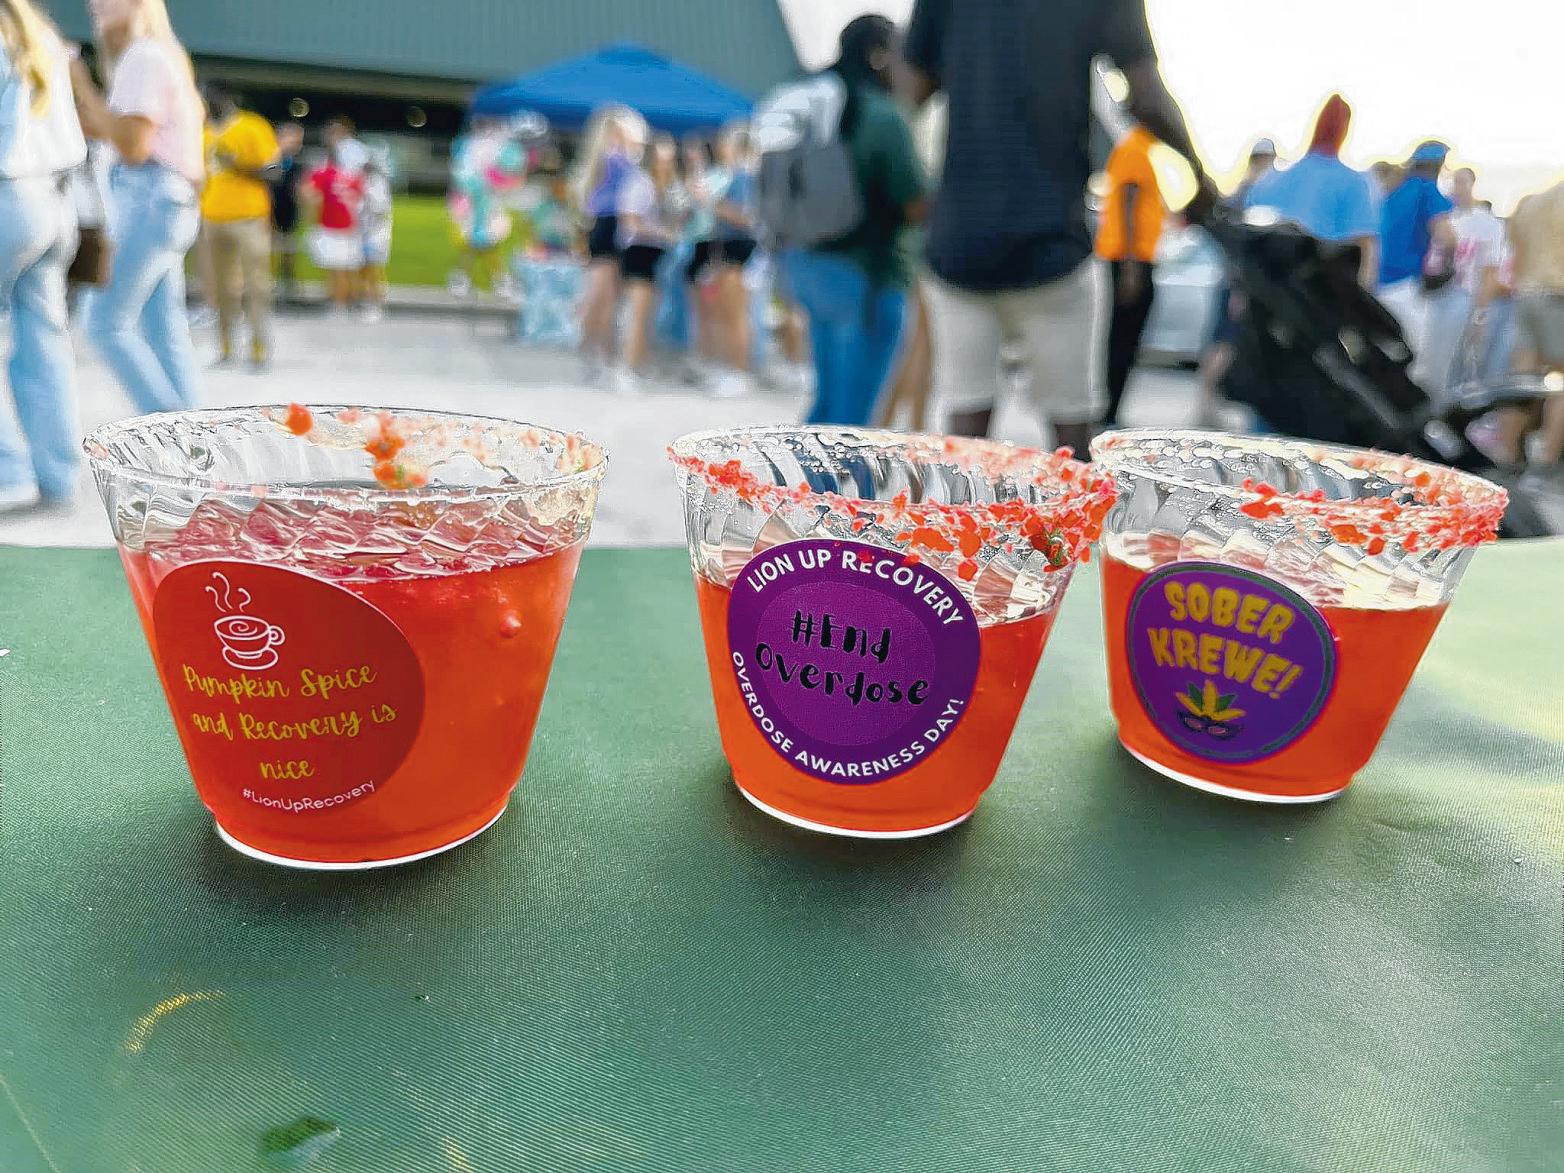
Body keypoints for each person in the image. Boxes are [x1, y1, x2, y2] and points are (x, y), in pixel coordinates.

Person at [902, 0, 1214, 451]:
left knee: (965, 435)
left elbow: (911, 91)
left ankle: (964, 497)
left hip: (961, 242)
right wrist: (1200, 176)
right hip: (1052, 246)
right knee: (1071, 436)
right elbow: (1147, 96)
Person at [783, 15, 926, 426]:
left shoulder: (813, 109)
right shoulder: (884, 117)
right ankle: (834, 474)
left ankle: (803, 470)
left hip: (810, 267)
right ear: (879, 55)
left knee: (828, 403)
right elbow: (915, 202)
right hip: (869, 276)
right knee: (854, 423)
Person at [71, 0, 204, 415]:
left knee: (102, 322)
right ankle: (194, 438)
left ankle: (169, 433)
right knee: (164, 331)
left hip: (149, 197)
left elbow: (132, 146)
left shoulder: (142, 56)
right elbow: (112, 131)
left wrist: (80, 82)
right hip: (169, 201)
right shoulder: (161, 54)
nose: (94, 3)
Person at [0, 0, 86, 512]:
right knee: (45, 340)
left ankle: (8, 471)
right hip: (53, 201)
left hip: (7, 196)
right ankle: (57, 479)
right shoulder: (40, 35)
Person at [1243, 95, 1379, 285]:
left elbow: (1248, 235)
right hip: (1319, 292)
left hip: (1270, 289)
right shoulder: (1353, 182)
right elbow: (1366, 247)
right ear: (1345, 129)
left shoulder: (1272, 179)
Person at [1193, 137, 1276, 426]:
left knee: (1219, 343)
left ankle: (1206, 405)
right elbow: (1242, 248)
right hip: (1239, 283)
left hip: (1230, 279)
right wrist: (1241, 289)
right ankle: (1206, 406)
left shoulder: (1240, 191)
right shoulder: (1251, 194)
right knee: (1226, 344)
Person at [198, 84, 278, 368]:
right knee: (220, 287)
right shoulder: (205, 132)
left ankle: (259, 347)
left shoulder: (252, 126)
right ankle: (226, 347)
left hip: (248, 218)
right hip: (213, 218)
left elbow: (274, 171)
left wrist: (239, 166)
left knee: (256, 285)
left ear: (226, 98)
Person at [1095, 122, 1166, 427]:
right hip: (1129, 261)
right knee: (1120, 341)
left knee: (1119, 341)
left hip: (1129, 260)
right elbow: (1128, 202)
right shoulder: (1135, 149)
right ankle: (1105, 412)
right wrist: (1131, 267)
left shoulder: (1138, 149)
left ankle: (1107, 411)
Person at [573, 103, 647, 382]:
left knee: (603, 297)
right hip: (610, 227)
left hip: (605, 227)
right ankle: (597, 354)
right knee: (604, 298)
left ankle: (594, 352)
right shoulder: (615, 158)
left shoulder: (603, 157)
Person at [1496, 177, 1564, 476]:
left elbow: (1515, 247)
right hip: (1556, 296)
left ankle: (1506, 453)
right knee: (1561, 381)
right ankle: (1546, 462)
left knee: (1522, 379)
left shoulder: (1534, 201)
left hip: (1525, 294)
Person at [1419, 166, 1504, 399]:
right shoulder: (1445, 217)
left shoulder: (1487, 223)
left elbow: (1490, 270)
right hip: (1434, 292)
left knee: (1450, 360)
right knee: (1429, 356)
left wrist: (1481, 311)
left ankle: (1440, 405)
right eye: (1454, 182)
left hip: (1463, 294)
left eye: (1462, 182)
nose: (1457, 187)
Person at [1376, 140, 1456, 366]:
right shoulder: (1427, 189)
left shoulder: (1394, 189)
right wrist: (1449, 262)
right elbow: (1447, 237)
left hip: (1377, 280)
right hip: (1405, 282)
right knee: (1413, 352)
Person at [615, 135, 685, 391]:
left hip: (658, 253)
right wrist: (663, 232)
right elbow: (630, 222)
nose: (665, 163)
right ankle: (625, 368)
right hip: (639, 251)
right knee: (637, 313)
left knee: (647, 314)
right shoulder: (640, 182)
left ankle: (638, 364)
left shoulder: (669, 186)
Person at [709, 122, 758, 396]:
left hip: (739, 250)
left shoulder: (743, 176)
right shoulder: (742, 175)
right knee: (731, 313)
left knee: (736, 313)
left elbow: (747, 217)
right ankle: (733, 370)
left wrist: (714, 204)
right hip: (734, 250)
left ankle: (738, 372)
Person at [303, 144, 363, 312]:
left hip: (331, 225)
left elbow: (310, 194)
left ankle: (338, 303)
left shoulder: (324, 174)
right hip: (350, 225)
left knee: (335, 268)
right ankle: (347, 301)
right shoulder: (351, 176)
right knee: (345, 267)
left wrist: (312, 217)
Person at [268, 120, 303, 301]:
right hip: (270, 210)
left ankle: (287, 281)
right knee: (269, 248)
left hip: (289, 211)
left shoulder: (294, 163)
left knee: (288, 248)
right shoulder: (271, 158)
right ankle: (268, 280)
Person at [357, 152, 392, 321]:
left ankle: (377, 303)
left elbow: (381, 208)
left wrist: (366, 197)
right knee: (363, 270)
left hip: (376, 235)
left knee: (375, 270)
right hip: (362, 233)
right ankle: (365, 300)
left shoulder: (379, 184)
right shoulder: (363, 181)